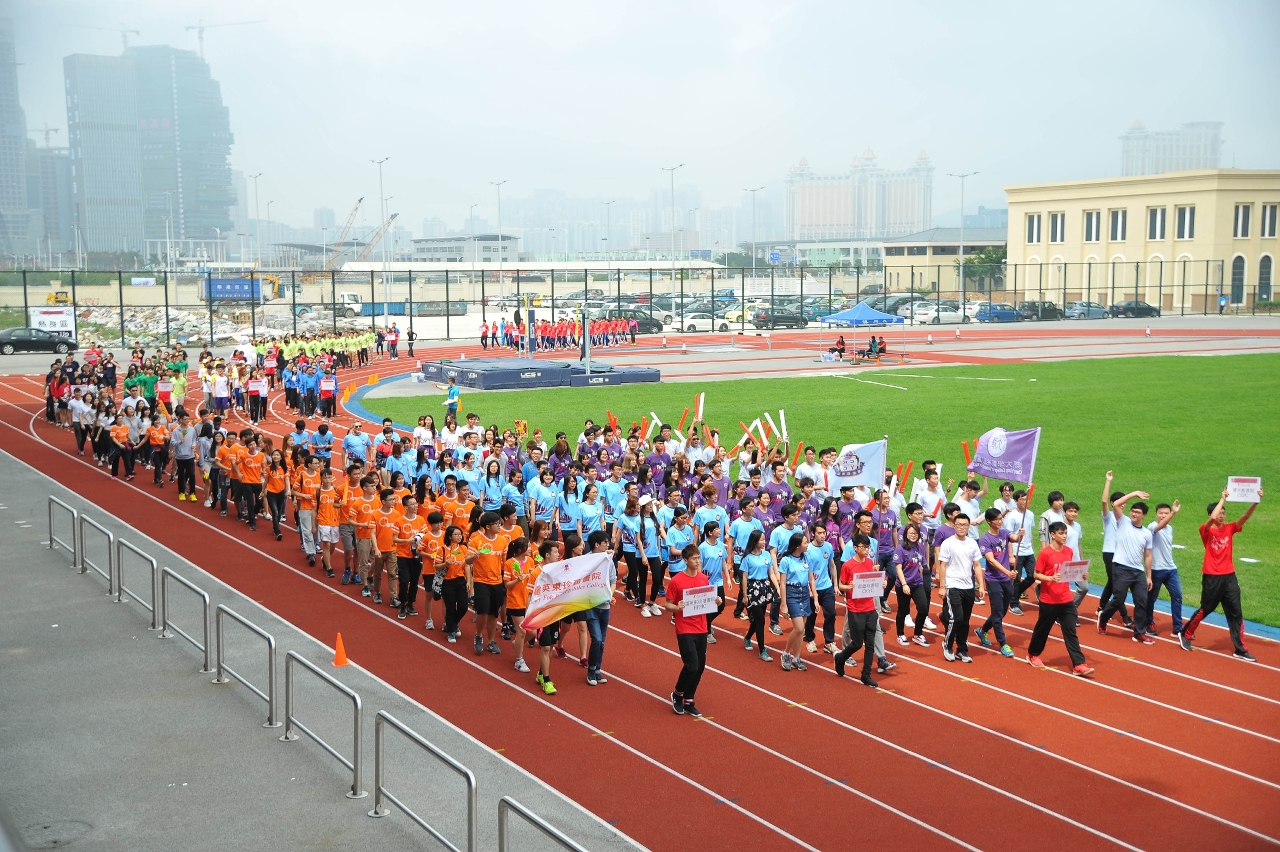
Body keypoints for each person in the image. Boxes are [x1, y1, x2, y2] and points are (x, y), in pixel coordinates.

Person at [1180, 487, 1264, 660]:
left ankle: (1240, 649)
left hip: (1229, 576)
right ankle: (1186, 633)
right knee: (1207, 608)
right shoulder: (1206, 530)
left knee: (1236, 612)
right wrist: (1223, 499)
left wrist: (1255, 502)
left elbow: (1245, 518)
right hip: (1212, 576)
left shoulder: (1230, 528)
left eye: (1224, 513)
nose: (1222, 516)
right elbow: (1211, 518)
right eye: (1220, 513)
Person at [1027, 521, 1095, 676]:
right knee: (1042, 630)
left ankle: (1079, 664)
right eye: (1061, 533)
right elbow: (1036, 574)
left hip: (1066, 599)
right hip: (1049, 600)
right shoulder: (1045, 553)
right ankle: (1033, 654)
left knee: (1070, 631)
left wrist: (1081, 574)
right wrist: (1050, 578)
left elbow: (1068, 572)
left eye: (1065, 533)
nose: (1064, 536)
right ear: (1052, 534)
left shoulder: (1069, 551)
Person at [663, 543, 716, 717]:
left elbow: (707, 600)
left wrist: (716, 601)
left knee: (700, 666)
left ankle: (689, 699)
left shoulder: (703, 578)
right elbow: (667, 605)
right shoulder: (677, 581)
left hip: (701, 627)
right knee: (691, 665)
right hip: (685, 628)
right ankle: (678, 694)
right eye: (694, 558)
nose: (698, 561)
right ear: (685, 561)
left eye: (698, 558)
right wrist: (677, 608)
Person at [1097, 490, 1154, 645]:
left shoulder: (1147, 533)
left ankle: (1139, 633)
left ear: (1144, 515)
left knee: (1142, 601)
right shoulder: (1123, 521)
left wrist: (1149, 576)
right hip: (1121, 568)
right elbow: (1115, 504)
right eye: (1133, 511)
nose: (1134, 514)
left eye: (1138, 512)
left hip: (1138, 571)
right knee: (1118, 599)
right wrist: (1134, 493)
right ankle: (1103, 617)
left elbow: (1148, 555)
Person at [834, 533, 881, 687]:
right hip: (855, 609)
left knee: (870, 644)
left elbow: (873, 583)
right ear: (855, 548)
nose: (867, 550)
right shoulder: (848, 565)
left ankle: (865, 674)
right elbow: (841, 586)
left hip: (870, 608)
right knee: (857, 643)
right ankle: (840, 658)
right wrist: (849, 587)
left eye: (868, 547)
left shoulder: (870, 562)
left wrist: (881, 582)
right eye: (864, 547)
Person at [937, 513, 984, 663]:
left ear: (969, 526)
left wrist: (981, 585)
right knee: (955, 618)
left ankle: (962, 650)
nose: (962, 527)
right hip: (953, 586)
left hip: (968, 586)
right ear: (954, 525)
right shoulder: (948, 543)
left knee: (965, 620)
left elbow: (977, 565)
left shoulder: (972, 543)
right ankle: (948, 644)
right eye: (959, 525)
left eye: (965, 525)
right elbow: (943, 566)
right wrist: (942, 586)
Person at [976, 507, 1021, 658]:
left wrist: (1020, 536)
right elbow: (991, 560)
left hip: (1006, 580)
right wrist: (1008, 572)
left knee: (1001, 612)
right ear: (989, 521)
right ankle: (1003, 643)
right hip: (993, 579)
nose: (999, 522)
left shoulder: (1005, 532)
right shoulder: (985, 539)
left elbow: (1015, 538)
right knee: (997, 613)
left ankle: (982, 630)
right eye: (996, 519)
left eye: (1000, 519)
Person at [777, 531, 815, 671]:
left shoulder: (807, 558)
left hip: (804, 592)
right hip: (792, 592)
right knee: (798, 628)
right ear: (798, 546)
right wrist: (784, 604)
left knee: (801, 630)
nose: (807, 544)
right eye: (805, 542)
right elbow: (782, 583)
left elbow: (811, 578)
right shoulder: (786, 560)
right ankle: (786, 653)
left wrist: (815, 597)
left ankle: (797, 657)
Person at [740, 530, 779, 662]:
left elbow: (771, 573)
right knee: (761, 621)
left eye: (764, 539)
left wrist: (778, 588)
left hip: (764, 588)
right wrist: (745, 595)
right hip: (753, 589)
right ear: (755, 541)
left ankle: (747, 638)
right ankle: (762, 650)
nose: (764, 542)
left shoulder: (767, 554)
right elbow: (744, 577)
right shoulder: (747, 558)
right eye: (762, 540)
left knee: (758, 619)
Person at [583, 530, 615, 685]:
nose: (608, 545)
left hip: (605, 606)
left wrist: (610, 595)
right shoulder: (585, 561)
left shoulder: (608, 560)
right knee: (597, 639)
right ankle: (591, 670)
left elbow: (613, 580)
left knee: (602, 641)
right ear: (597, 544)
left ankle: (597, 670)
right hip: (591, 606)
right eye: (605, 542)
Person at [1146, 500, 1183, 637]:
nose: (1163, 515)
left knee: (1177, 596)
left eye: (1166, 513)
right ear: (1156, 514)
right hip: (1156, 569)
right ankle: (1148, 623)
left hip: (1171, 569)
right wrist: (1173, 512)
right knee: (1151, 599)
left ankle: (1178, 628)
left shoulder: (1170, 528)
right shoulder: (1152, 526)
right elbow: (1161, 525)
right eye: (1161, 513)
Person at [892, 523, 930, 646]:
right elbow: (898, 568)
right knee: (903, 610)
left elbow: (922, 564)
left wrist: (925, 570)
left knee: (923, 608)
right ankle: (900, 634)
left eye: (915, 534)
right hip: (904, 584)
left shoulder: (919, 547)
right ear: (906, 535)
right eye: (910, 533)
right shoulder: (900, 549)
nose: (913, 536)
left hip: (917, 583)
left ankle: (917, 634)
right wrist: (904, 585)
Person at [802, 523, 838, 654]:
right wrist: (810, 589)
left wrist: (835, 585)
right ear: (813, 534)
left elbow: (832, 566)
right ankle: (810, 639)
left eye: (824, 533)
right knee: (811, 616)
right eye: (819, 533)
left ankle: (829, 642)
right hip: (812, 588)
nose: (823, 535)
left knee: (831, 614)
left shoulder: (828, 546)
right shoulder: (808, 550)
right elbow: (805, 571)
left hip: (826, 586)